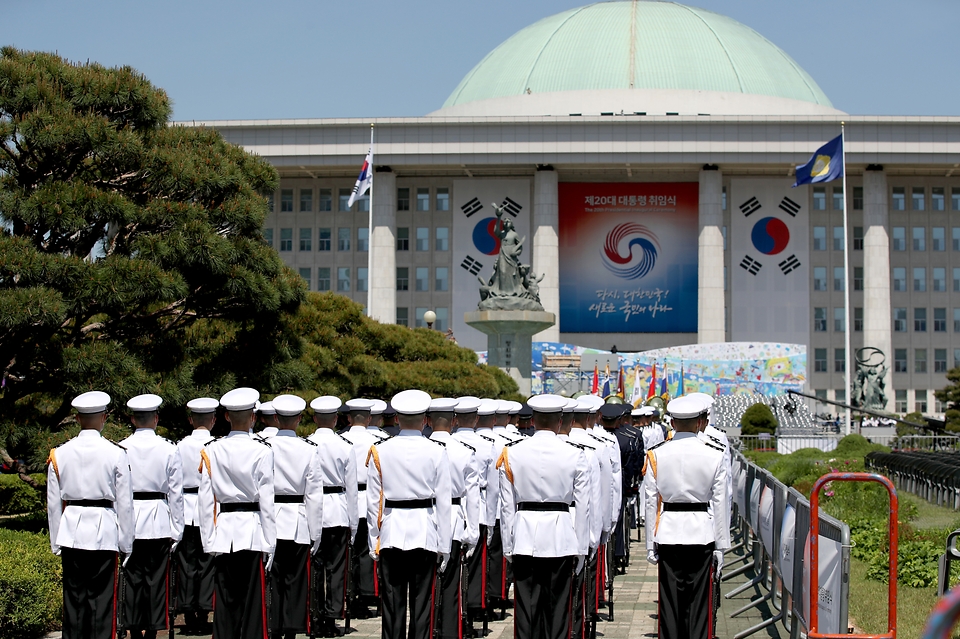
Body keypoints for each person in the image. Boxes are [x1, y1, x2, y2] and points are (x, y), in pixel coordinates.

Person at [497, 393, 590, 639]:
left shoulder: (512, 452)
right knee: (558, 609)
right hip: (561, 535)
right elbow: (583, 506)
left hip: (525, 534)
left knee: (526, 610)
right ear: (560, 421)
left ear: (534, 420)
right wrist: (581, 548)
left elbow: (506, 506)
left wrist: (508, 546)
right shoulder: (575, 453)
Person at [47, 391, 135, 639]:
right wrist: (126, 543)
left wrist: (56, 541)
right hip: (104, 530)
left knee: (74, 600)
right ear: (104, 417)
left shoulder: (60, 453)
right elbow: (125, 503)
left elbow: (53, 504)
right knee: (101, 600)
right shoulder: (116, 452)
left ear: (77, 418)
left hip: (72, 530)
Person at [367, 389, 452, 639]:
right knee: (422, 603)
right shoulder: (437, 450)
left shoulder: (379, 450)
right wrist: (444, 545)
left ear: (396, 418)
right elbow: (444, 503)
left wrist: (374, 539)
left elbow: (374, 502)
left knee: (392, 604)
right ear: (425, 419)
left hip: (391, 531)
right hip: (425, 530)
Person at [644, 395, 729, 639]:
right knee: (699, 602)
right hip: (701, 531)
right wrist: (721, 546)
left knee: (669, 602)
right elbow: (720, 502)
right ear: (700, 422)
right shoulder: (714, 453)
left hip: (669, 531)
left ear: (672, 422)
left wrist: (651, 543)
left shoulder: (656, 454)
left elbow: (651, 501)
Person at [198, 387, 277, 639]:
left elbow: (205, 501)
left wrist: (208, 540)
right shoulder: (262, 450)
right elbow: (267, 502)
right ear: (253, 417)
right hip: (252, 532)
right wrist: (270, 542)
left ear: (226, 416)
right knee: (253, 605)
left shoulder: (212, 450)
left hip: (224, 531)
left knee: (225, 600)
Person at [119, 394, 184, 639]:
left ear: (133, 419)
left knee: (133, 576)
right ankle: (154, 628)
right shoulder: (169, 448)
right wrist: (177, 530)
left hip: (131, 518)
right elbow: (176, 494)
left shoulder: (121, 447)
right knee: (156, 579)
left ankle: (134, 626)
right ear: (156, 419)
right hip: (158, 519)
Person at [268, 394, 325, 639]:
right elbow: (314, 495)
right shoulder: (308, 450)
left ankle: (274, 626)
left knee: (274, 578)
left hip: (271, 518)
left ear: (276, 419)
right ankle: (291, 629)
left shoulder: (265, 445)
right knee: (295, 579)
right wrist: (316, 533)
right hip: (298, 521)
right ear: (300, 419)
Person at [428, 398, 481, 639]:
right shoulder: (464, 451)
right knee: (451, 586)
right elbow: (473, 497)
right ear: (454, 421)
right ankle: (450, 632)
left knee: (424, 588)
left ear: (428, 421)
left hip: (426, 520)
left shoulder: (423, 448)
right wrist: (473, 531)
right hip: (455, 522)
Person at [308, 396, 359, 638]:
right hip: (338, 510)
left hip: (313, 512)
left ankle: (316, 616)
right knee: (336, 569)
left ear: (315, 418)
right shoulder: (345, 446)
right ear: (336, 419)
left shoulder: (306, 444)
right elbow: (351, 489)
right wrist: (354, 523)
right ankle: (331, 615)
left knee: (316, 567)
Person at [451, 396, 496, 627]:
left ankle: (456, 611)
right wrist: (490, 521)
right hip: (478, 506)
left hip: (454, 508)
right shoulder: (488, 445)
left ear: (456, 419)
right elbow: (494, 488)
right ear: (476, 419)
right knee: (476, 564)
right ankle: (473, 609)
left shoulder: (447, 443)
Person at [175, 396, 218, 634]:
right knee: (207, 561)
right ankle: (203, 609)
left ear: (191, 420)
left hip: (185, 507)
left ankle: (188, 609)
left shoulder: (179, 446)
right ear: (213, 420)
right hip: (208, 508)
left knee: (187, 562)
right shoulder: (216, 446)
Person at [340, 397, 381, 617]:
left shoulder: (341, 439)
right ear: (369, 418)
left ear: (348, 418)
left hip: (345, 500)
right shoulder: (377, 440)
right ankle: (366, 596)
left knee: (350, 553)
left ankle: (350, 595)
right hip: (368, 499)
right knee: (366, 551)